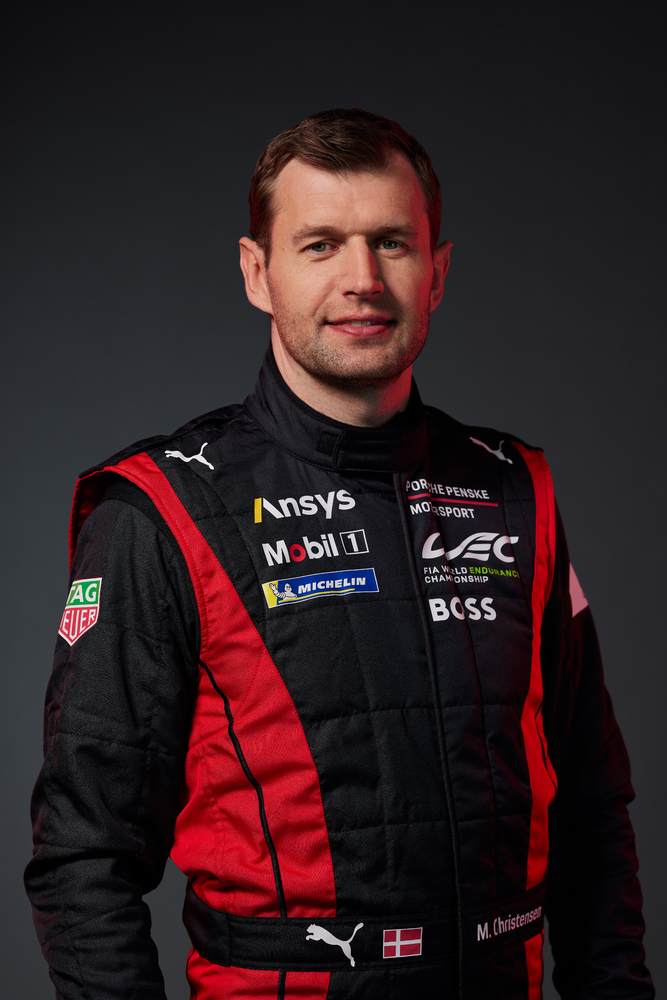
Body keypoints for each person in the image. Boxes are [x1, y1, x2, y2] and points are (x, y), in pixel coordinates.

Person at [25, 108, 653, 1000]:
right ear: (258, 272)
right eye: (319, 245)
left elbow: (590, 807)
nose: (362, 280)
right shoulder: (162, 511)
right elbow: (84, 856)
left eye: (391, 243)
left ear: (436, 272)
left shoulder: (516, 491)